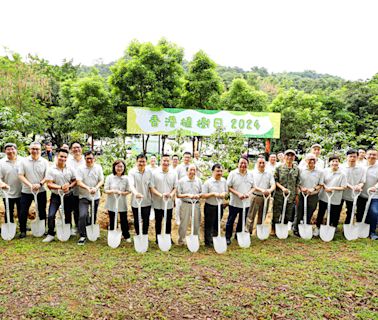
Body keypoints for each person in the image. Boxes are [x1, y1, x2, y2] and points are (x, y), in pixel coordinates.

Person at [43, 149, 77, 242]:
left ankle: (68, 230)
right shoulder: (51, 169)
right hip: (56, 196)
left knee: (68, 214)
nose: (63, 158)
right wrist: (61, 187)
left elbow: (75, 180)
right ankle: (50, 234)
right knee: (51, 215)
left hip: (68, 195)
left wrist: (69, 186)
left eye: (65, 157)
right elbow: (49, 184)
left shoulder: (70, 168)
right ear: (57, 156)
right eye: (61, 156)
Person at [17, 142, 49, 238]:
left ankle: (43, 229)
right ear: (29, 149)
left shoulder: (44, 162)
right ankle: (23, 231)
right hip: (27, 190)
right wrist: (30, 185)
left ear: (40, 150)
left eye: (37, 149)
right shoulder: (23, 161)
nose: (35, 151)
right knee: (23, 211)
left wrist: (40, 184)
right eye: (33, 149)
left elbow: (47, 176)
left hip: (41, 190)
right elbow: (20, 175)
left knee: (42, 210)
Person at [76, 151, 104, 245]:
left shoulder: (98, 168)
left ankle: (90, 230)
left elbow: (101, 180)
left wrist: (96, 188)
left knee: (93, 215)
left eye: (91, 158)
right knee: (83, 215)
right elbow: (78, 182)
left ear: (94, 159)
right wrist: (88, 188)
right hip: (84, 196)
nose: (89, 160)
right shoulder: (80, 168)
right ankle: (82, 235)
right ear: (85, 159)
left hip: (95, 196)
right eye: (87, 158)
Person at [314, 155, 347, 236]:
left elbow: (344, 187)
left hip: (335, 197)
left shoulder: (342, 174)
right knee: (321, 212)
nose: (334, 163)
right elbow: (321, 182)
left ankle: (332, 228)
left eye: (336, 161)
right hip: (324, 196)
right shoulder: (324, 171)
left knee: (334, 213)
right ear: (329, 163)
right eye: (333, 161)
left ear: (339, 163)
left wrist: (332, 188)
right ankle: (318, 227)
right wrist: (326, 187)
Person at [293, 154, 323, 236]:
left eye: (313, 159)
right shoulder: (301, 170)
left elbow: (321, 184)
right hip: (301, 194)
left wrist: (313, 189)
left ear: (316, 161)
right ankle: (296, 228)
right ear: (306, 161)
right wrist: (301, 188)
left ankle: (306, 227)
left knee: (310, 212)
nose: (311, 161)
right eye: (309, 159)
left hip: (313, 195)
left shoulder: (320, 171)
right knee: (298, 212)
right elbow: (297, 181)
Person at [226, 157, 254, 245]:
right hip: (234, 202)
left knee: (242, 220)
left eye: (245, 163)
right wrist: (238, 194)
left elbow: (254, 187)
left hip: (246, 203)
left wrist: (248, 193)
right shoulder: (233, 173)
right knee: (231, 220)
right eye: (241, 163)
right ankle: (227, 237)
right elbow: (229, 187)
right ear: (238, 164)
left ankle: (238, 235)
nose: (243, 165)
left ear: (247, 165)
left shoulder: (251, 174)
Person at [150, 154, 177, 243]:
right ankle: (158, 238)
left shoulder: (173, 173)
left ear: (169, 162)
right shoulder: (154, 173)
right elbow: (152, 187)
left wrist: (170, 195)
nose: (165, 162)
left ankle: (168, 237)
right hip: (158, 202)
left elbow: (175, 187)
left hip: (169, 203)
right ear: (161, 161)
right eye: (164, 160)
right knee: (158, 220)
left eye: (167, 161)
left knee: (168, 221)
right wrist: (161, 195)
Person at [272, 149, 300, 235]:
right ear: (284, 157)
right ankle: (274, 228)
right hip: (279, 195)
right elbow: (275, 181)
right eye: (288, 155)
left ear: (294, 157)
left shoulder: (296, 169)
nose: (290, 157)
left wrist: (296, 195)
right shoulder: (279, 168)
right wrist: (282, 188)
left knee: (288, 214)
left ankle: (283, 229)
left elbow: (297, 183)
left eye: (292, 156)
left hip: (290, 196)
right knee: (277, 212)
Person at [104, 160, 131, 242]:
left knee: (123, 219)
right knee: (112, 219)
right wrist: (113, 191)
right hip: (112, 201)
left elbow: (129, 190)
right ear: (114, 167)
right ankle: (112, 234)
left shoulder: (126, 178)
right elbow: (106, 190)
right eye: (117, 166)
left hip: (122, 201)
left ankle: (126, 235)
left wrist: (122, 193)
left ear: (124, 168)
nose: (119, 168)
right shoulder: (109, 177)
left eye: (121, 166)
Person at [247, 157, 275, 234]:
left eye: (263, 163)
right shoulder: (252, 173)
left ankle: (258, 232)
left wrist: (269, 190)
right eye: (260, 163)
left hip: (265, 197)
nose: (262, 164)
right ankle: (248, 232)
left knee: (262, 215)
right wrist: (262, 190)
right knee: (251, 216)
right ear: (257, 164)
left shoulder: (269, 173)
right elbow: (252, 186)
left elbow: (273, 184)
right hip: (255, 196)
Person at [202, 164, 228, 247]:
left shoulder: (224, 181)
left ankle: (215, 239)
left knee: (217, 223)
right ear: (213, 171)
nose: (219, 173)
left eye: (221, 171)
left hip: (220, 206)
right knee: (209, 224)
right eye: (217, 171)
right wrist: (213, 194)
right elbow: (203, 195)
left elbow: (226, 192)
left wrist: (224, 193)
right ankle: (208, 242)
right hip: (210, 206)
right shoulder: (208, 182)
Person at [128, 154, 153, 238]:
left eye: (143, 161)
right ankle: (138, 235)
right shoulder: (132, 172)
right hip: (135, 201)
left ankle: (145, 236)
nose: (141, 163)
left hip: (147, 201)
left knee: (146, 220)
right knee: (137, 219)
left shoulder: (149, 172)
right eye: (140, 161)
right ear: (136, 162)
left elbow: (151, 186)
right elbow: (131, 185)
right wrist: (136, 193)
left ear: (146, 162)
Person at [176, 164, 202, 245]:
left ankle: (195, 240)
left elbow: (202, 192)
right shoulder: (181, 181)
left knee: (196, 222)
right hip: (185, 204)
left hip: (196, 204)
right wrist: (187, 195)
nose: (192, 172)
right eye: (191, 170)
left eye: (194, 170)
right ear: (187, 171)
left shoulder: (199, 181)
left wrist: (199, 195)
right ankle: (181, 240)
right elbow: (178, 195)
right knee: (184, 222)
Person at [0, 143, 23, 227]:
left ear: (16, 150)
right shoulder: (1, 162)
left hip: (21, 190)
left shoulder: (22, 160)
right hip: (7, 192)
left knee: (21, 210)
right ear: (5, 151)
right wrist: (2, 184)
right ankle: (9, 225)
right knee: (9, 210)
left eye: (12, 149)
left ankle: (22, 225)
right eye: (8, 149)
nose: (10, 151)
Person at [357, 149, 378, 239]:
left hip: (374, 195)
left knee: (374, 212)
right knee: (360, 213)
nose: (372, 156)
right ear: (365, 155)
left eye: (374, 155)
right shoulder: (361, 165)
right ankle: (360, 230)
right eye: (370, 154)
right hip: (361, 194)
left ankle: (372, 232)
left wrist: (376, 187)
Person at [341, 149, 365, 224]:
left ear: (357, 157)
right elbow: (342, 180)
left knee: (351, 210)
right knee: (336, 210)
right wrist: (351, 187)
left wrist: (359, 186)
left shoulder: (361, 168)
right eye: (350, 156)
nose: (352, 158)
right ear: (346, 157)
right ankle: (333, 225)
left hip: (353, 194)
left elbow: (362, 181)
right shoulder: (341, 167)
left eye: (354, 157)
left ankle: (347, 224)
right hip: (341, 193)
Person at [66, 142, 85, 235]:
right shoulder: (68, 161)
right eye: (74, 148)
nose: (76, 149)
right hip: (72, 189)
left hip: (84, 189)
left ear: (81, 149)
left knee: (83, 210)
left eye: (78, 147)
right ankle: (75, 227)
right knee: (73, 209)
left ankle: (83, 226)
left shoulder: (86, 160)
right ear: (71, 150)